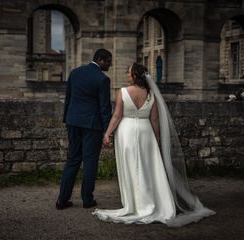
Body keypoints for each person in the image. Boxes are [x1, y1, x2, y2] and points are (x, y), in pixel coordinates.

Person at [92, 63, 215, 227]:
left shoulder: (122, 92)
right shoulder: (151, 94)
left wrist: (107, 133)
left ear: (135, 75)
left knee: (130, 166)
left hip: (126, 132)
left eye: (128, 73)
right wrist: (156, 138)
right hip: (146, 132)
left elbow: (117, 116)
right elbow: (155, 120)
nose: (127, 76)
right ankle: (151, 201)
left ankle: (134, 204)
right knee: (148, 167)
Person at [56, 49, 113, 210]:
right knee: (90, 161)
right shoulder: (102, 79)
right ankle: (87, 200)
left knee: (73, 159)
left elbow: (68, 98)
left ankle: (62, 200)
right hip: (91, 125)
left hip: (73, 122)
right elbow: (105, 108)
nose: (110, 64)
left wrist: (67, 119)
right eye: (108, 61)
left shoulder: (75, 73)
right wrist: (108, 131)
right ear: (100, 60)